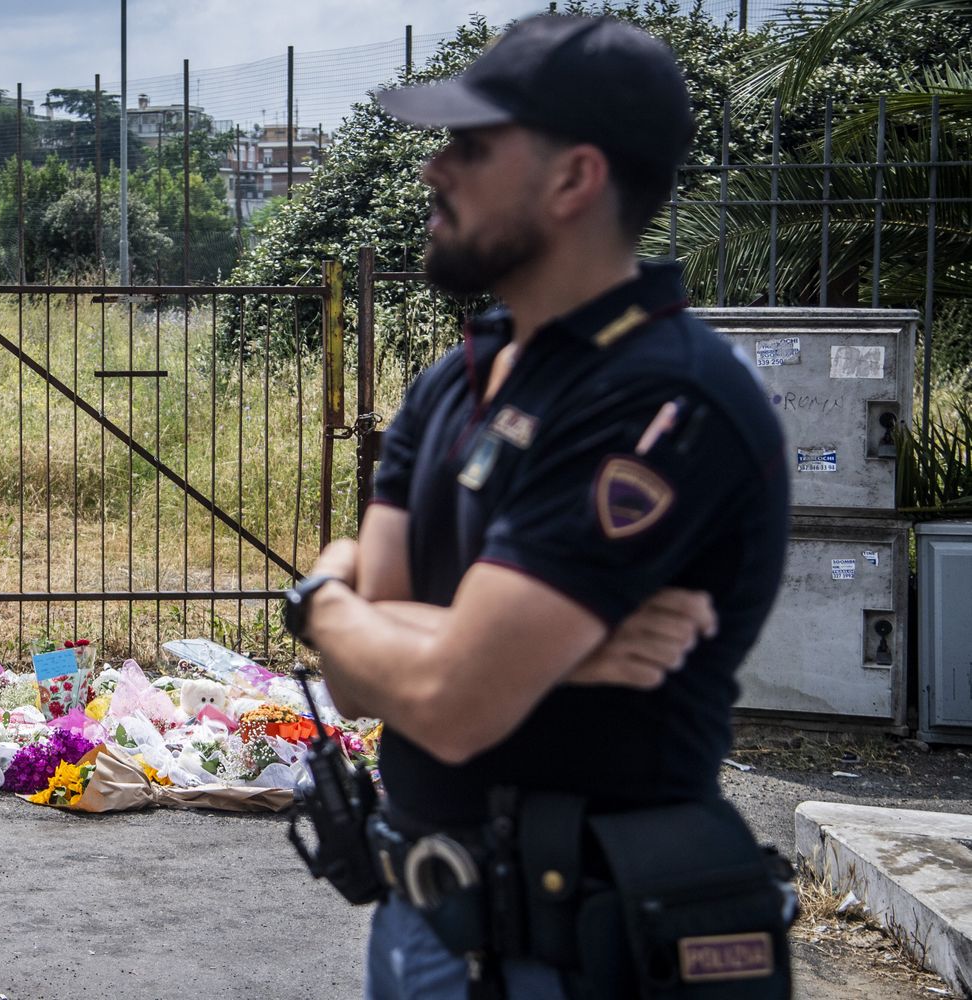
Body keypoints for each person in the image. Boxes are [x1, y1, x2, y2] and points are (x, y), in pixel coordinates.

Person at [281, 14, 791, 1000]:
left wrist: (321, 601)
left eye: (472, 146)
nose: (435, 169)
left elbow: (450, 703)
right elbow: (357, 685)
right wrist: (500, 649)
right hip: (424, 925)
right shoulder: (455, 380)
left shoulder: (656, 398)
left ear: (573, 180)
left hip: (585, 951)